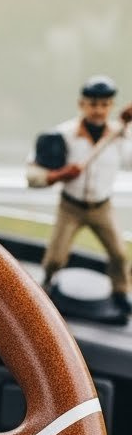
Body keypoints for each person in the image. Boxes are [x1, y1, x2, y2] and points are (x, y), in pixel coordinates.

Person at [27, 75, 132, 316]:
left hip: (102, 207)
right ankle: (48, 283)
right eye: (93, 104)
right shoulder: (63, 135)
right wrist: (59, 174)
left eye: (105, 105)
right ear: (81, 105)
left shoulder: (118, 136)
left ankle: (120, 292)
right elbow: (33, 175)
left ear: (111, 107)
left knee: (118, 253)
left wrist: (127, 127)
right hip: (70, 206)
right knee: (55, 257)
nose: (99, 110)